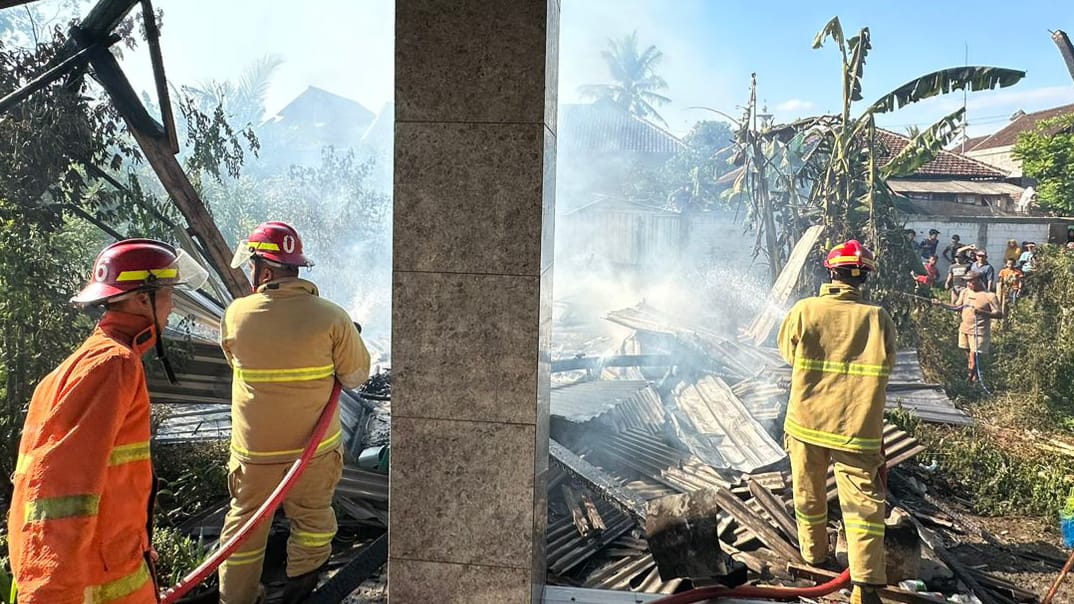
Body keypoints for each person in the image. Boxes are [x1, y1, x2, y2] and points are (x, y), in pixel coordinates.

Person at [8, 239, 207, 604]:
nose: (172, 305)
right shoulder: (112, 366)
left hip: (111, 569)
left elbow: (107, 482)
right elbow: (57, 494)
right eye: (166, 293)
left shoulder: (92, 362)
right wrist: (51, 594)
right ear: (141, 298)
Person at [219, 221, 371, 604]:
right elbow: (355, 376)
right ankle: (298, 596)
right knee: (314, 525)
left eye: (252, 268)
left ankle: (236, 600)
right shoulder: (332, 318)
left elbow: (234, 360)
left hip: (255, 458)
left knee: (244, 533)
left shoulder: (236, 315)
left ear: (265, 271)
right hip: (314, 457)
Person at [778, 239, 895, 604]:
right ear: (864, 279)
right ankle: (865, 585)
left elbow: (787, 354)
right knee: (863, 509)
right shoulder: (879, 319)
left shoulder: (805, 310)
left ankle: (814, 556)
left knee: (808, 493)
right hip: (857, 430)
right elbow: (887, 365)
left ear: (831, 272)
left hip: (806, 423)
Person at [937, 272, 1003, 382]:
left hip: (979, 331)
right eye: (967, 281)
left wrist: (982, 312)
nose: (968, 284)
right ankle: (974, 377)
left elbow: (999, 314)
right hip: (964, 329)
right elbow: (957, 307)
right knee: (969, 356)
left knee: (973, 356)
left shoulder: (989, 296)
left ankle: (968, 379)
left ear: (978, 280)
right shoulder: (965, 292)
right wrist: (941, 304)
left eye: (971, 281)